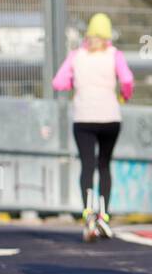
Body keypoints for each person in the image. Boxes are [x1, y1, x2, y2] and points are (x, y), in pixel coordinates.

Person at [52, 13, 134, 239]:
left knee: (87, 165)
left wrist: (75, 83)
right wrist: (124, 96)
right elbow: (127, 80)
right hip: (110, 117)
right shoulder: (114, 55)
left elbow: (58, 82)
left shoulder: (76, 56)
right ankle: (104, 214)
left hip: (84, 117)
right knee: (104, 165)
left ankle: (88, 213)